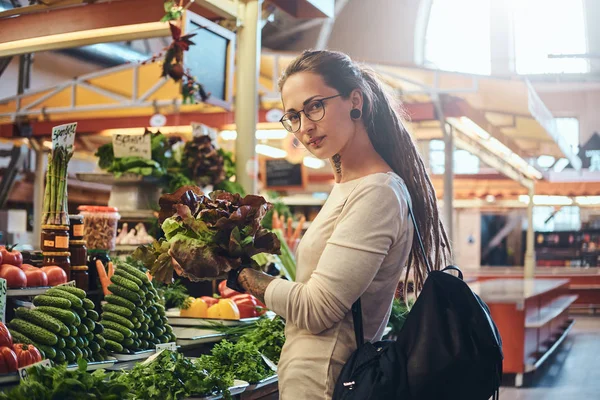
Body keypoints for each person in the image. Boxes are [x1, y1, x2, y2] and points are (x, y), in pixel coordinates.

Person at [227, 50, 452, 399]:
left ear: (355, 101)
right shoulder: (349, 185)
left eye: (315, 106)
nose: (304, 126)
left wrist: (242, 276)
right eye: (293, 116)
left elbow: (318, 309)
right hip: (313, 377)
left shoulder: (377, 192)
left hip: (328, 382)